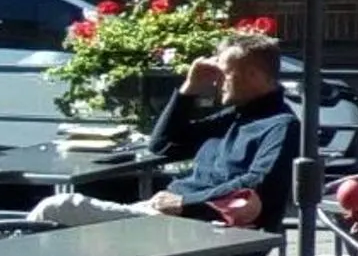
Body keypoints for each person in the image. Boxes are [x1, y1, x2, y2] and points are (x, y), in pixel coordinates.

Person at [32, 32, 301, 230]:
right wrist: (188, 90)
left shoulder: (280, 125)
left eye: (225, 74)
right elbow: (162, 145)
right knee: (55, 223)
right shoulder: (233, 116)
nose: (218, 83)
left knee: (57, 209)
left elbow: (257, 183)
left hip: (201, 226)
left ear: (253, 75)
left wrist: (186, 202)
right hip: (171, 216)